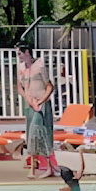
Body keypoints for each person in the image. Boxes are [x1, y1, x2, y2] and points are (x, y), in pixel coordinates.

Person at [16, 48, 56, 180]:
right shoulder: (22, 68)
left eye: (20, 53)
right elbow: (20, 87)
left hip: (41, 104)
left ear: (27, 52)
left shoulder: (39, 65)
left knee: (39, 133)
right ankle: (34, 168)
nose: (19, 56)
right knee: (31, 135)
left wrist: (40, 101)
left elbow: (49, 86)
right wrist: (28, 99)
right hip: (30, 105)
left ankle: (49, 166)